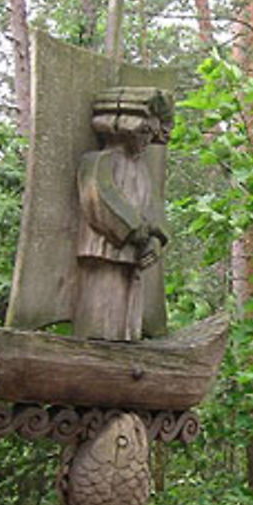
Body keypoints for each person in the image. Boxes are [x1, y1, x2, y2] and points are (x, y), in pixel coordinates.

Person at [73, 87, 171, 341]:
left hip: (135, 255)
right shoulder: (99, 161)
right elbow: (99, 200)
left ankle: (127, 347)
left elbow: (154, 208)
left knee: (130, 316)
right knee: (104, 310)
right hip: (106, 251)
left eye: (152, 133)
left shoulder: (143, 171)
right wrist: (135, 231)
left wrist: (156, 239)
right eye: (144, 131)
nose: (147, 140)